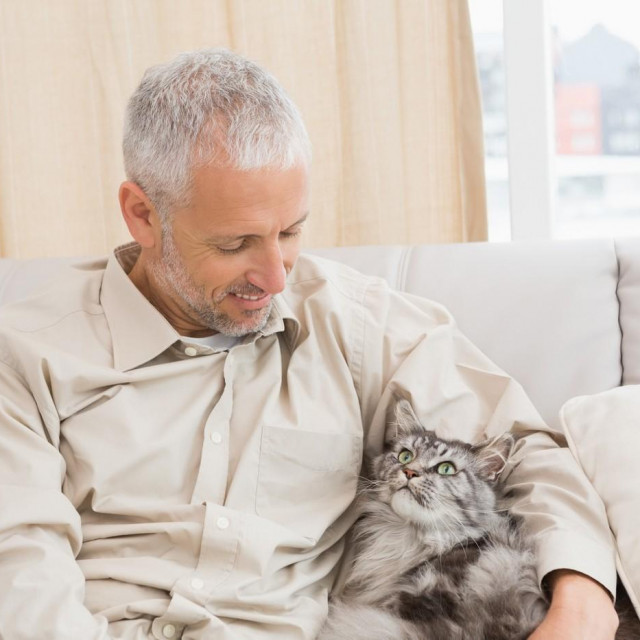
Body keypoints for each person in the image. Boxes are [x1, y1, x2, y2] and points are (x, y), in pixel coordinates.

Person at [0, 48, 618, 640]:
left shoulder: (355, 324)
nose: (275, 277)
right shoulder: (24, 356)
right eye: (235, 243)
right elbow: (22, 580)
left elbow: (527, 453)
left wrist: (583, 605)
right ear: (142, 214)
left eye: (291, 231)